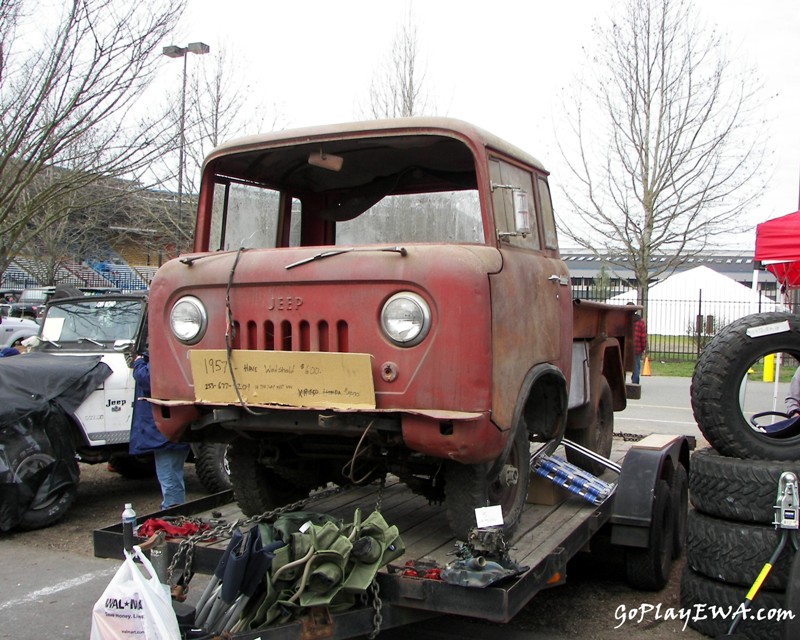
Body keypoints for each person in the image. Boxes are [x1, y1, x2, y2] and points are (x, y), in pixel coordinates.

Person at [129, 353, 190, 509]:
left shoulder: (162, 354)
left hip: (166, 429)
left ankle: (173, 515)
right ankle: (174, 513)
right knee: (170, 475)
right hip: (168, 428)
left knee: (170, 478)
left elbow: (149, 379)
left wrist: (138, 363)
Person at [631, 311, 647, 384]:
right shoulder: (640, 322)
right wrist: (643, 348)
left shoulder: (623, 320)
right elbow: (643, 336)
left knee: (622, 366)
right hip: (636, 348)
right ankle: (635, 383)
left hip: (624, 347)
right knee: (636, 366)